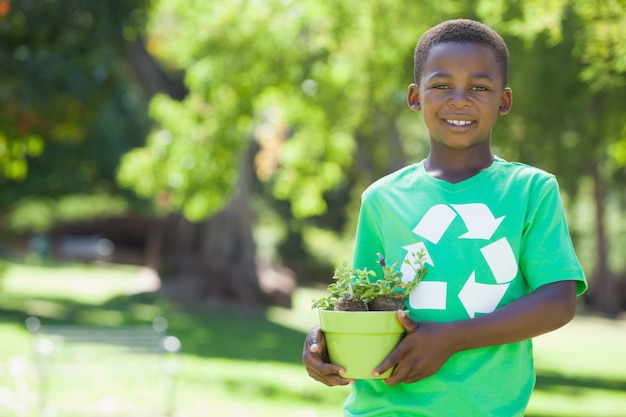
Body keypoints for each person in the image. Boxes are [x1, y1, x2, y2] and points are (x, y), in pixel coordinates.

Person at [302, 18, 587, 417]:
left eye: (479, 87)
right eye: (441, 85)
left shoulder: (530, 191)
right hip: (383, 409)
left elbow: (558, 301)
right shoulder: (383, 199)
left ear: (503, 101)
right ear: (415, 97)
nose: (459, 99)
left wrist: (450, 339)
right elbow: (360, 306)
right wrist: (323, 341)